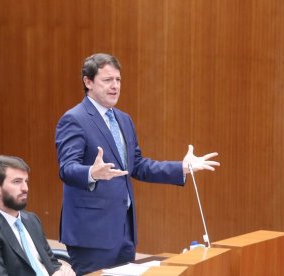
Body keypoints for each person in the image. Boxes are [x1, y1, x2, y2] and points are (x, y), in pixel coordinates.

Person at [55, 53, 220, 274]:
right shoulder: (74, 119)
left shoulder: (123, 119)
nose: (115, 86)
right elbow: (67, 169)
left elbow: (138, 165)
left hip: (124, 231)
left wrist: (180, 168)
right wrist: (92, 173)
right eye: (107, 80)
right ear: (88, 82)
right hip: (91, 234)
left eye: (118, 80)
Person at [0, 155, 75, 276]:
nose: (25, 188)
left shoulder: (31, 219)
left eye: (26, 181)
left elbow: (51, 262)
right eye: (17, 182)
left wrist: (62, 270)